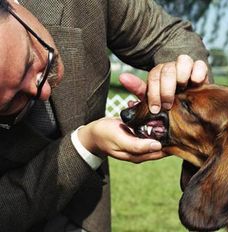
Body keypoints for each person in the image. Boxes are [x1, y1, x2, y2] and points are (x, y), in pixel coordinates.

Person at [0, 0, 212, 231]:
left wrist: (179, 75)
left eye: (31, 60)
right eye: (11, 101)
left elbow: (170, 36)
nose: (44, 90)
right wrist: (85, 145)